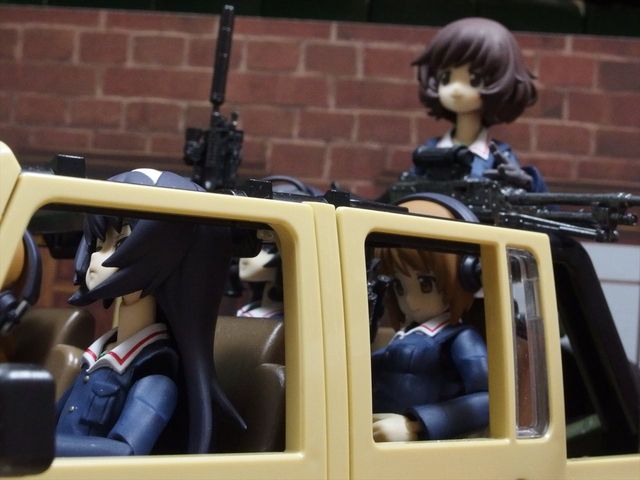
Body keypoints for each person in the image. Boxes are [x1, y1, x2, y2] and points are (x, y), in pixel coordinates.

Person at [57, 168, 242, 456]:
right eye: (100, 243)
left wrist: (39, 448)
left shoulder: (155, 376)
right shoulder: (98, 356)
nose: (95, 261)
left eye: (120, 244)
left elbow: (126, 453)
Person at [371, 199, 488, 442]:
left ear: (465, 277)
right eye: (399, 286)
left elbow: (487, 400)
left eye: (425, 284)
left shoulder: (461, 338)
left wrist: (415, 425)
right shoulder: (406, 335)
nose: (410, 299)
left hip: (424, 444)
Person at [412, 17, 547, 192]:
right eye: (446, 78)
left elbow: (528, 196)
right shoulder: (430, 151)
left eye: (474, 80)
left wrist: (524, 183)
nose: (456, 90)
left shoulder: (498, 156)